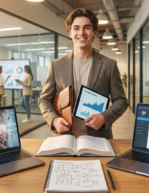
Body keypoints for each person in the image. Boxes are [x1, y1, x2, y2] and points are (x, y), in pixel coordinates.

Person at [39, 8, 128, 139]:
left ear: (94, 32)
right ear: (70, 33)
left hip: (98, 138)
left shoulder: (109, 65)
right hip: (64, 138)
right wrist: (53, 120)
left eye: (87, 28)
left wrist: (104, 117)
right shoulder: (56, 65)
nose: (81, 32)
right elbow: (44, 99)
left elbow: (121, 101)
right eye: (76, 28)